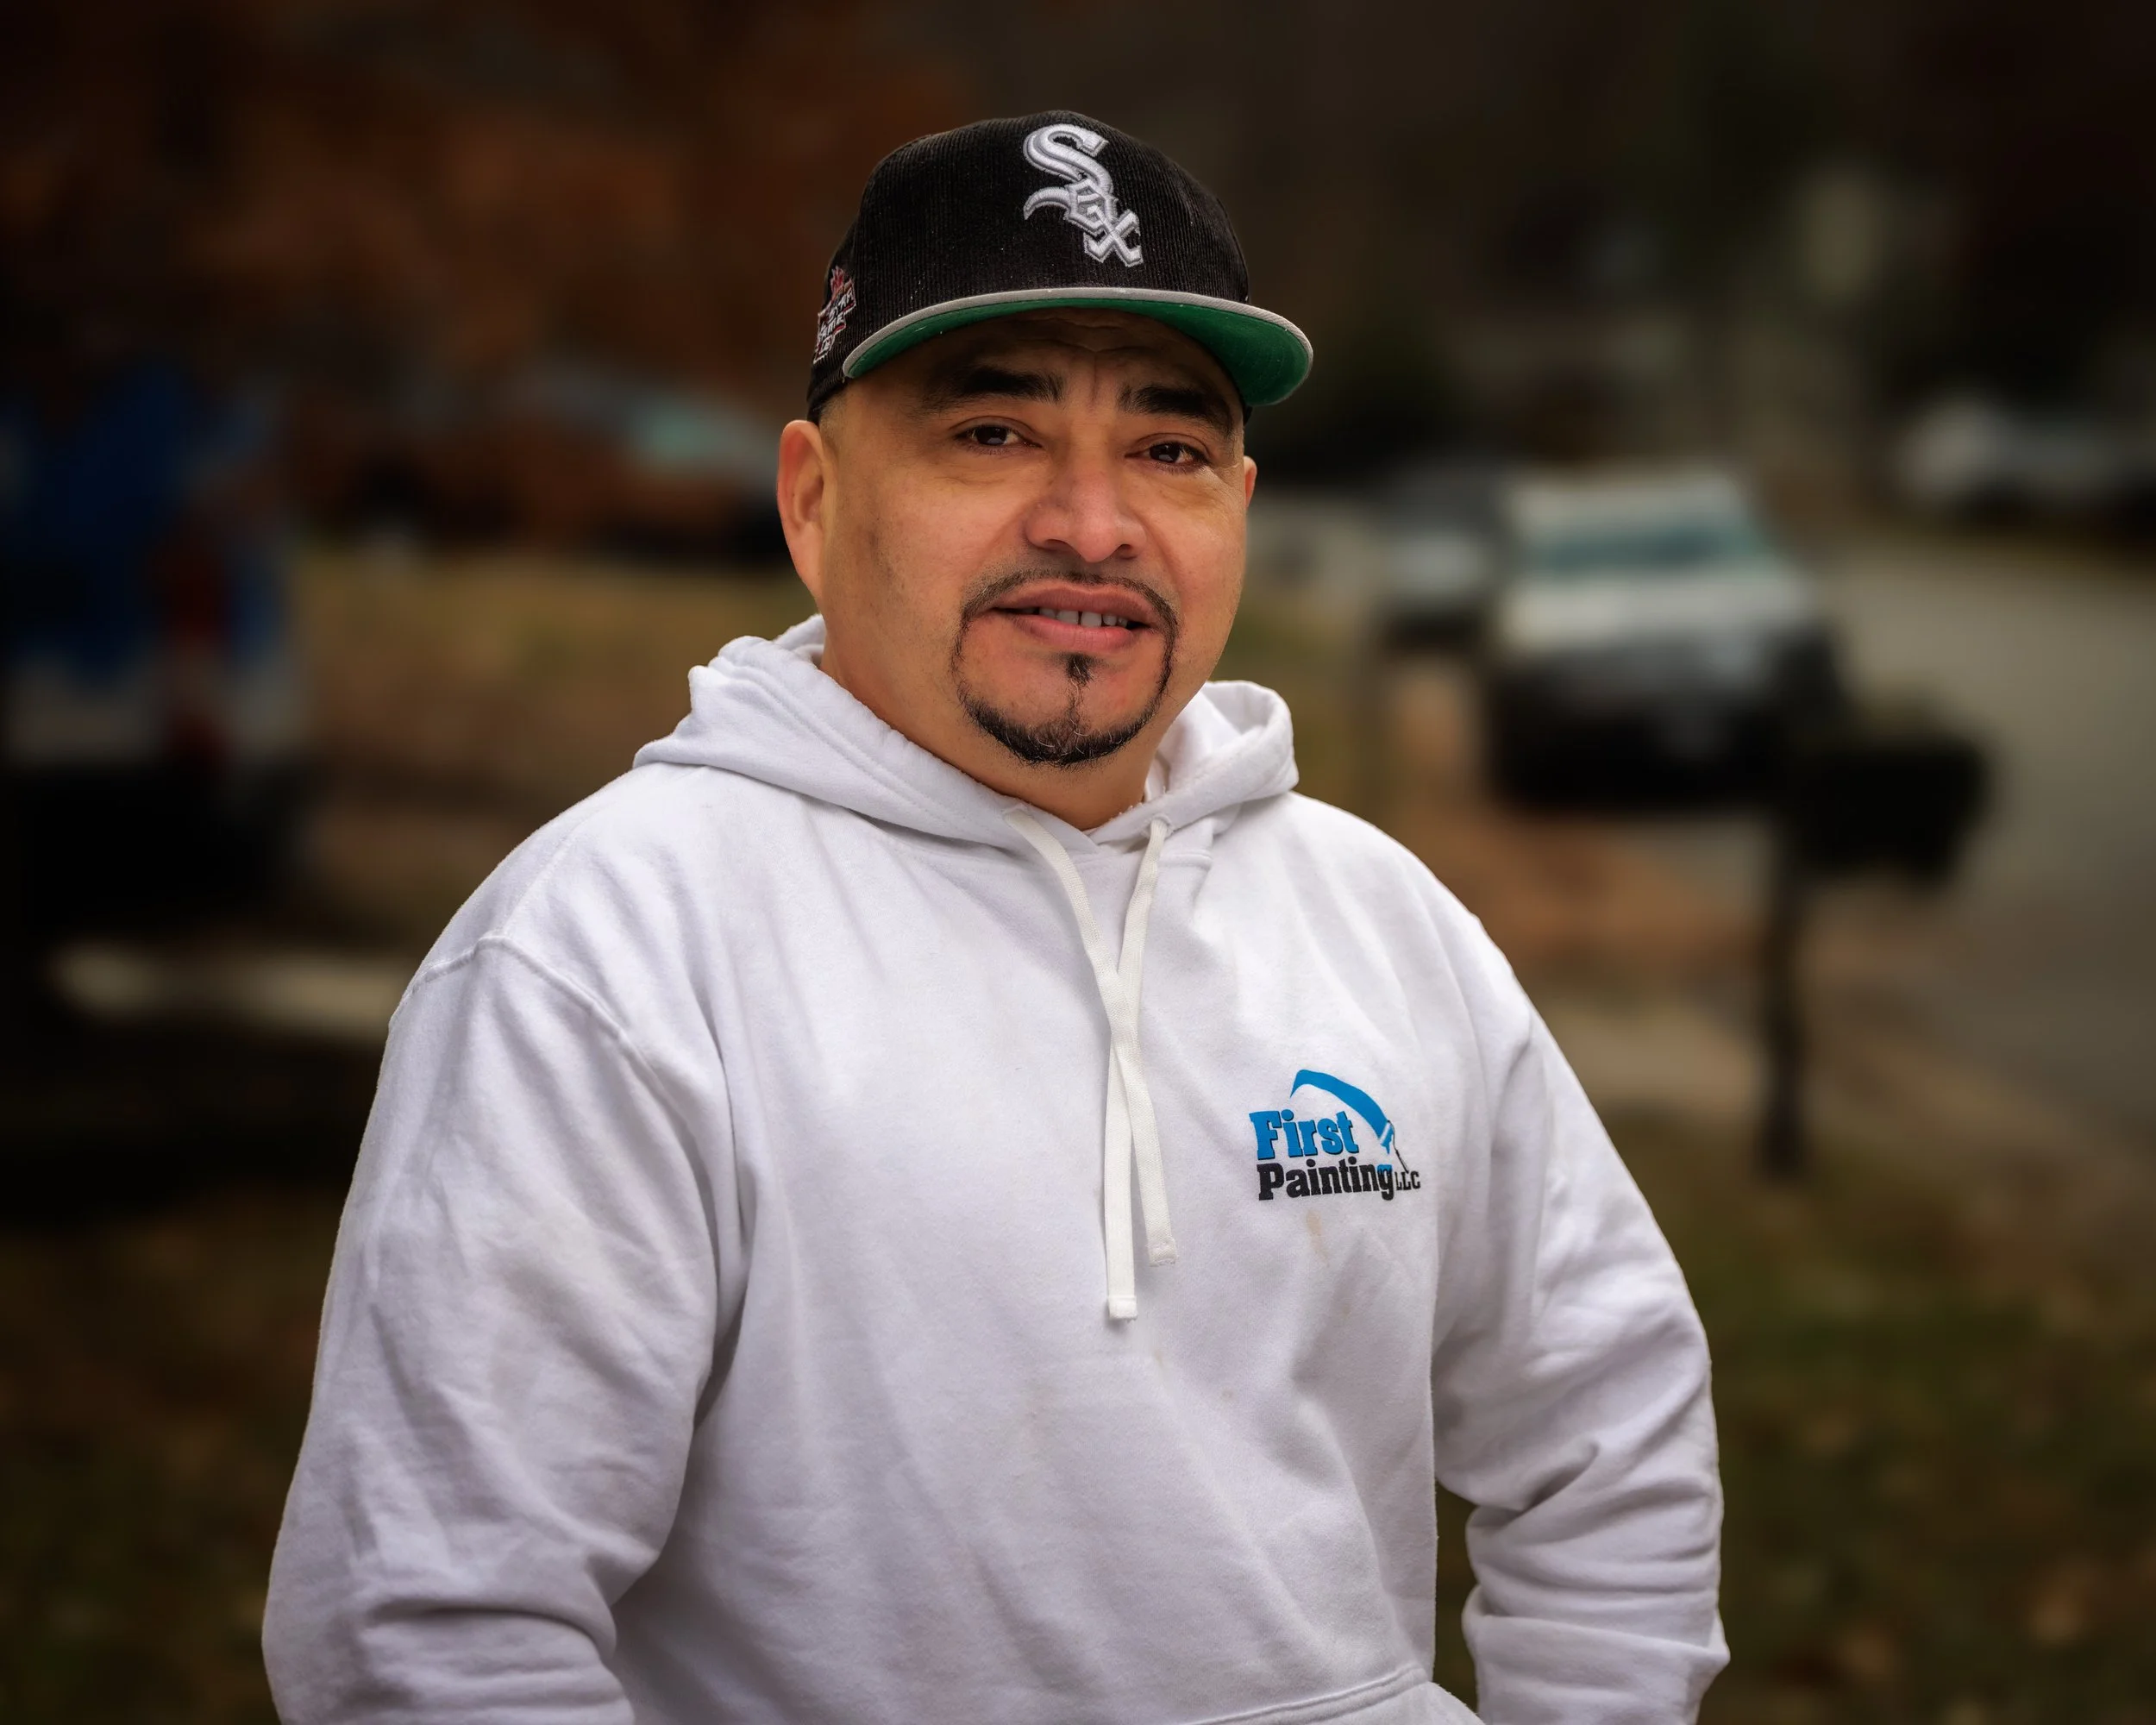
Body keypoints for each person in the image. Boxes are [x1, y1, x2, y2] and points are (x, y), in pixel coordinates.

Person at [266, 112, 1726, 1725]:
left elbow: (1614, 1425)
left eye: (1168, 449)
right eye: (993, 434)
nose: (1093, 524)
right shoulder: (608, 951)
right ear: (814, 503)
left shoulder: (1382, 926)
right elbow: (430, 1632)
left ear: (1241, 502)